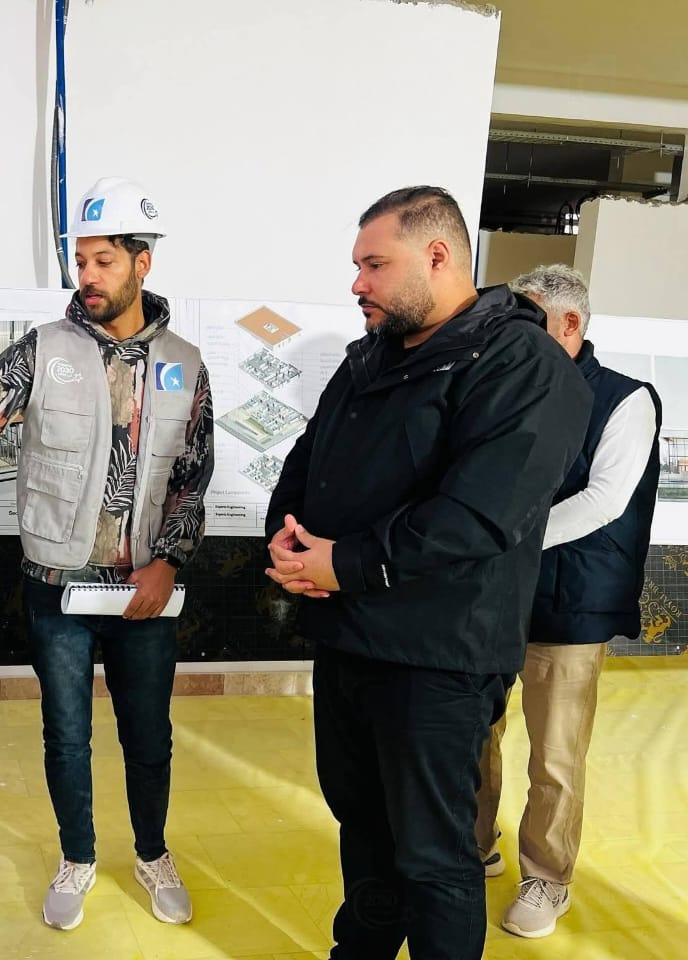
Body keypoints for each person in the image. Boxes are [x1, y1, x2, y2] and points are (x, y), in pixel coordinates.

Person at [0, 177, 213, 932]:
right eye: (79, 261)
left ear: (142, 262)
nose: (86, 276)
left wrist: (168, 561)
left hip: (143, 589)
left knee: (149, 736)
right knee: (66, 735)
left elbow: (192, 472)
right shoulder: (45, 350)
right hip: (58, 586)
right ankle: (78, 857)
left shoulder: (185, 363)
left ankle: (152, 853)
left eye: (102, 261)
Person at [262, 186, 591, 960]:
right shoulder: (369, 360)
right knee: (364, 829)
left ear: (437, 256)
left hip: (439, 657)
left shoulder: (525, 366)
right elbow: (309, 462)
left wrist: (343, 562)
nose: (357, 283)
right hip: (351, 639)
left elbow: (479, 513)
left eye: (374, 265)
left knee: (434, 856)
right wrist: (288, 542)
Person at [475, 264, 662, 939]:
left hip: (573, 600)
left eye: (524, 323)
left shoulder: (626, 399)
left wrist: (501, 542)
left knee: (555, 754)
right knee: (473, 731)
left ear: (570, 324)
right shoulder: (505, 388)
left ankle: (546, 877)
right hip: (494, 596)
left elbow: (604, 499)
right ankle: (475, 847)